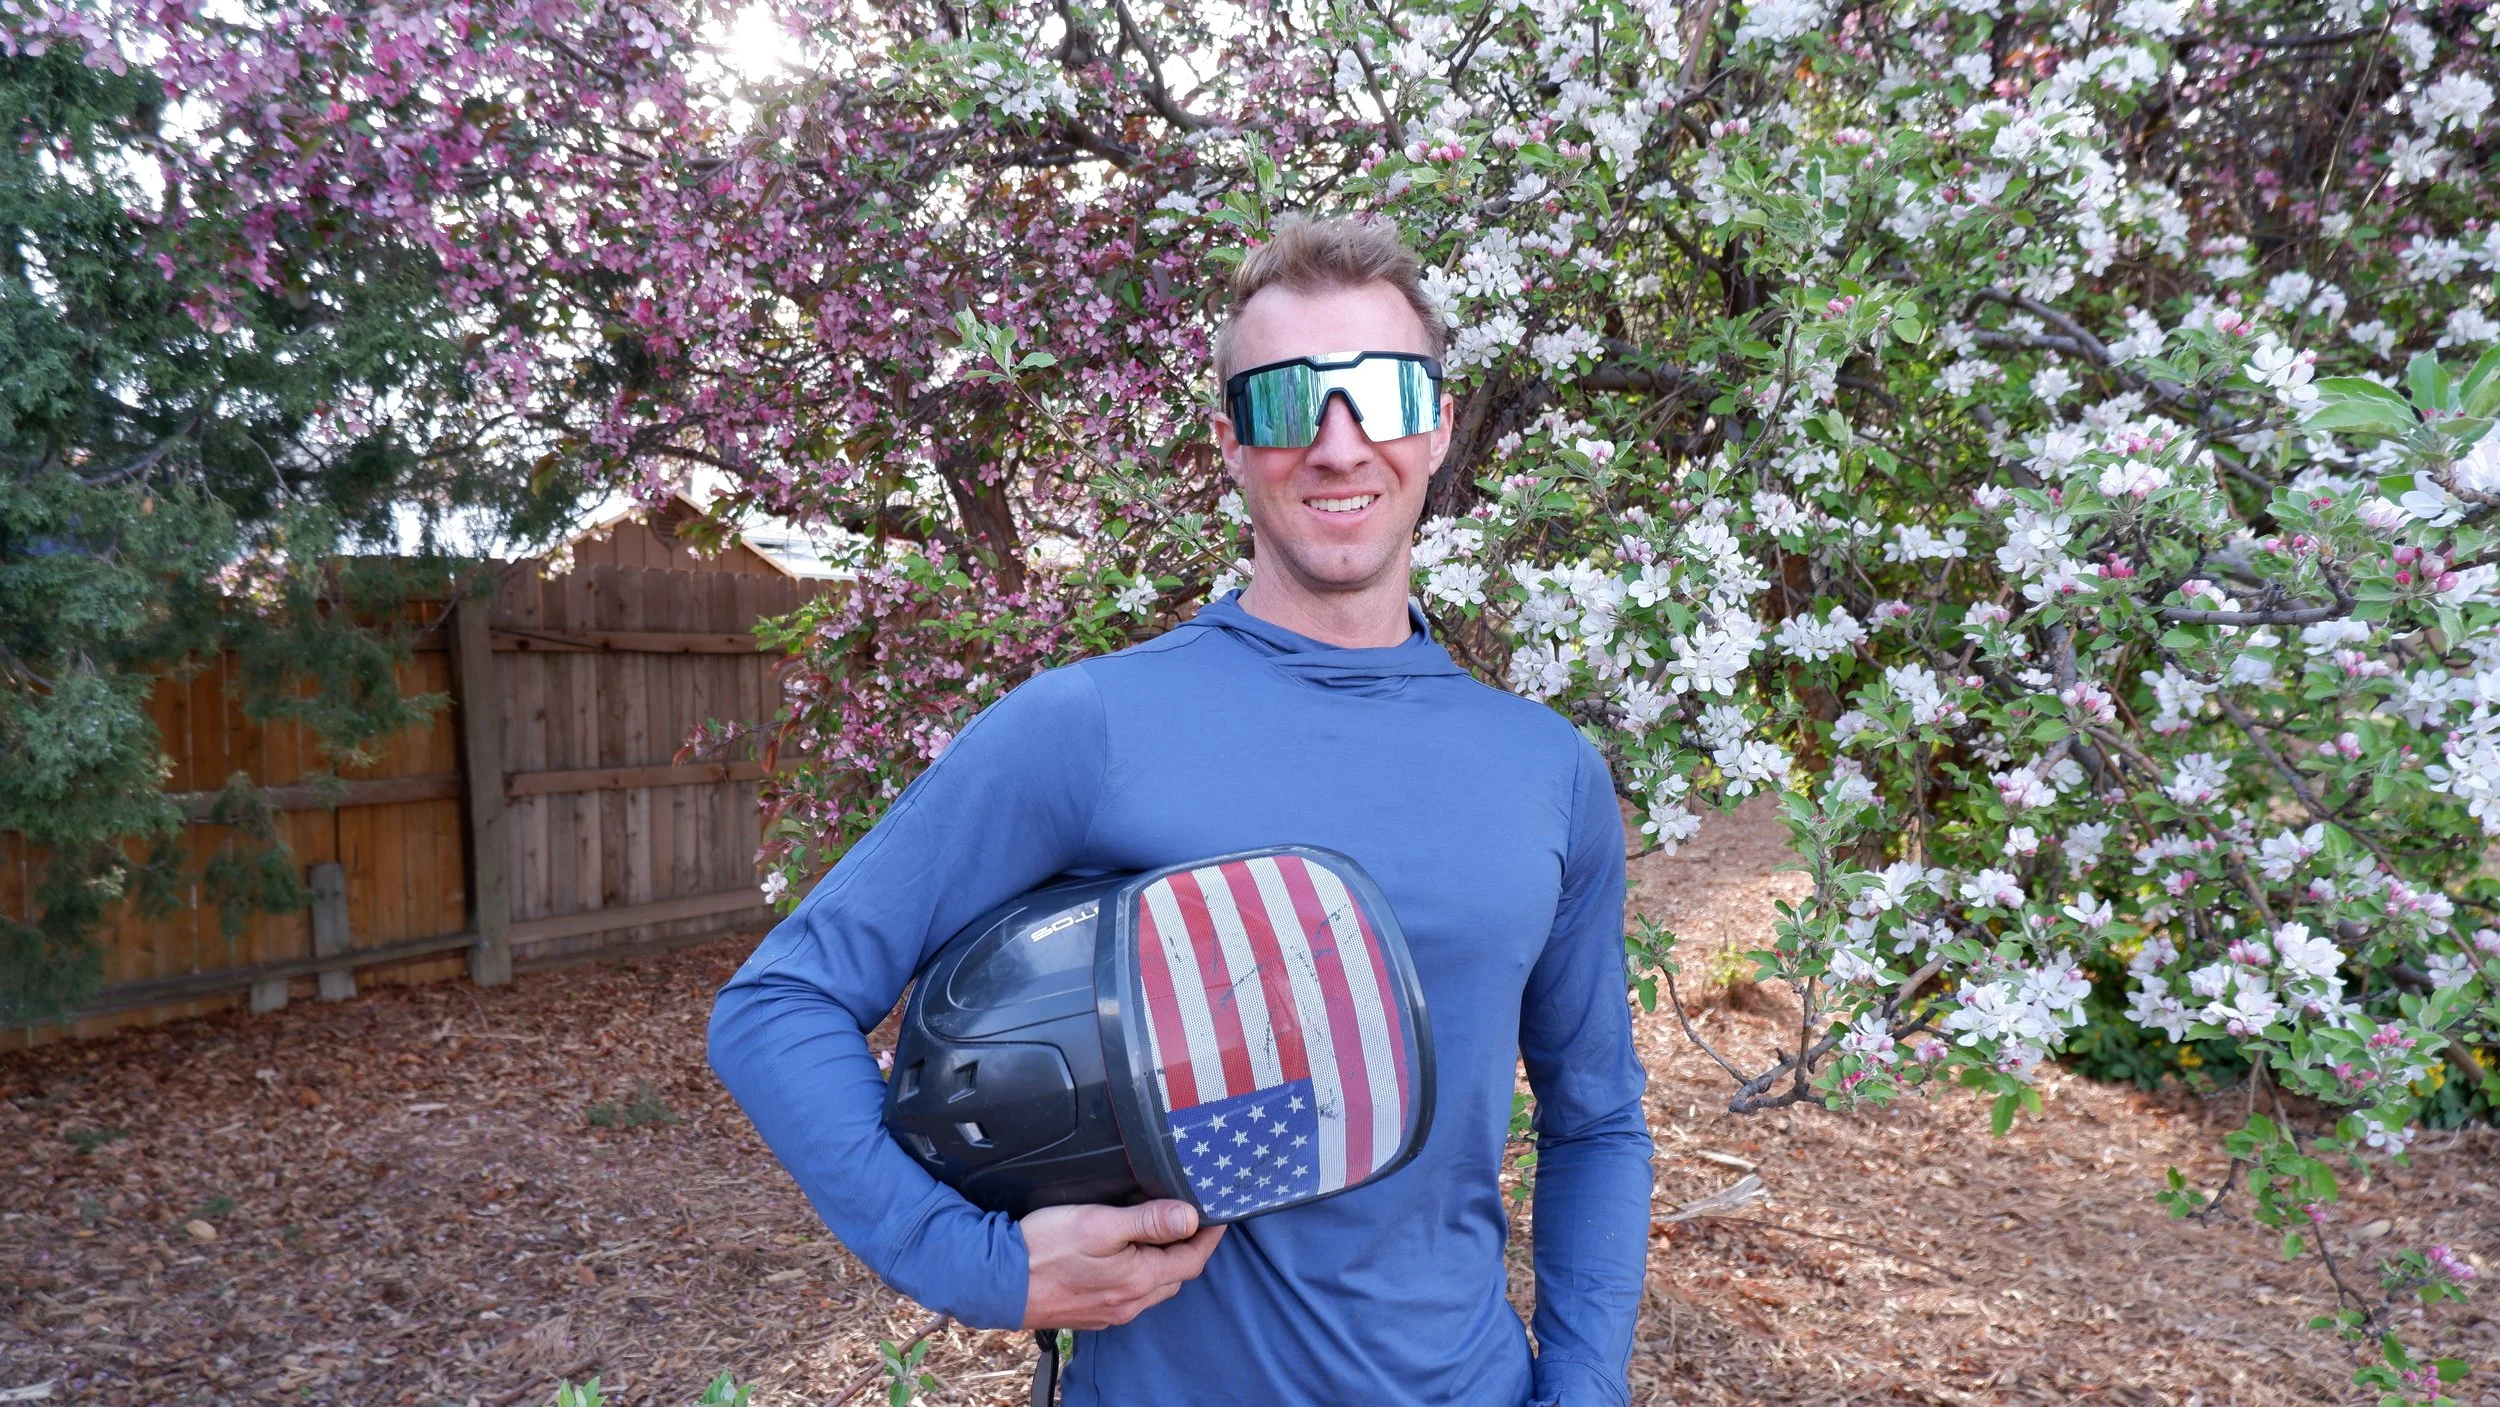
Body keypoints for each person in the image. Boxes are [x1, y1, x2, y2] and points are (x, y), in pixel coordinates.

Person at [709, 213, 1654, 1406]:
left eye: (1381, 391)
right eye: (1284, 402)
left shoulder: (1545, 768)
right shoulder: (1092, 727)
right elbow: (777, 1005)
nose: (1336, 443)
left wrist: (1579, 1390)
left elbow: (1597, 1125)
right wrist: (973, 1265)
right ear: (1227, 442)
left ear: (1439, 423)